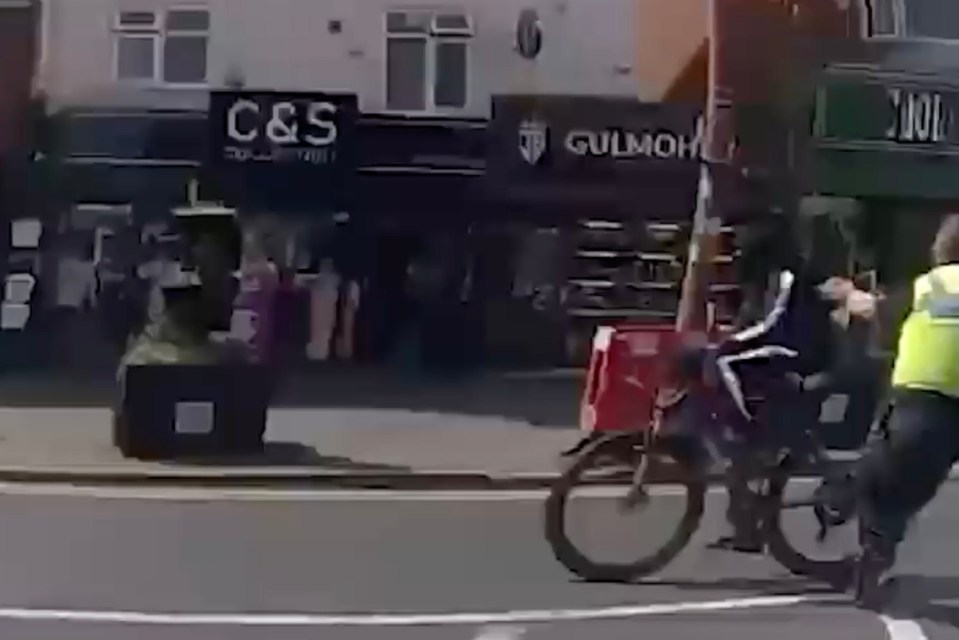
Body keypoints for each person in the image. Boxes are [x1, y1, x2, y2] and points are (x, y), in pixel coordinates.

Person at [852, 213, 959, 609]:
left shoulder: (927, 285)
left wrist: (847, 296)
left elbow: (877, 313)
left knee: (891, 488)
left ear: (940, 251)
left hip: (916, 402)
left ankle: (873, 559)